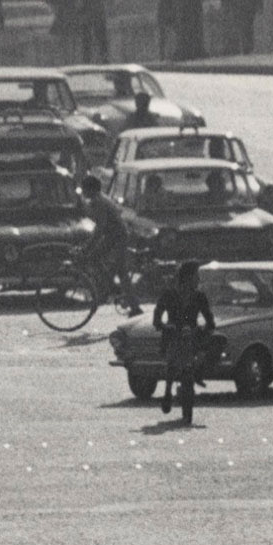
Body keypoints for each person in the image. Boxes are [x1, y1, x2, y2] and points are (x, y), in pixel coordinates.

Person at [153, 258, 216, 422]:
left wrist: (199, 330)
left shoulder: (200, 296)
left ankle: (199, 372)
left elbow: (210, 322)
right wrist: (167, 327)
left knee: (219, 342)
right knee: (172, 361)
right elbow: (156, 320)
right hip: (173, 337)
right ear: (187, 277)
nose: (199, 280)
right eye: (196, 276)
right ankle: (167, 390)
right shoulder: (168, 295)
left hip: (192, 338)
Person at [79, 171, 141, 313]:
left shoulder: (100, 202)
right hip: (111, 236)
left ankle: (134, 305)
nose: (82, 192)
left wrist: (87, 246)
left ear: (91, 190)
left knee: (121, 271)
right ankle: (108, 286)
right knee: (95, 258)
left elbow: (99, 228)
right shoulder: (97, 200)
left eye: (84, 189)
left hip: (118, 237)